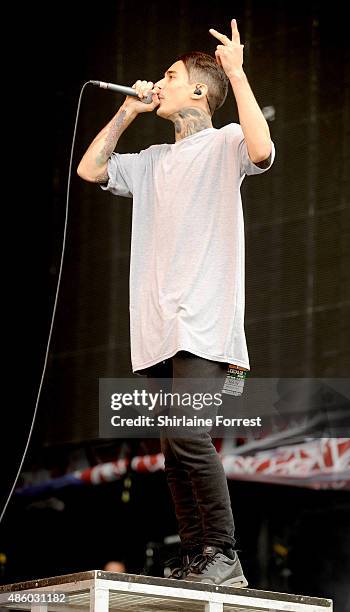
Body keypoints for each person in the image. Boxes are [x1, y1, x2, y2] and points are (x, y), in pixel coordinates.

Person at [77, 19, 275, 587]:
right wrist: (127, 112)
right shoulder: (153, 159)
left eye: (169, 76)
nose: (158, 83)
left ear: (198, 91)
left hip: (204, 318)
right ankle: (198, 555)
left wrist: (235, 74)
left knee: (189, 437)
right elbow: (91, 169)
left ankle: (224, 554)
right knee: (173, 449)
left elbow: (262, 150)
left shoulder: (225, 141)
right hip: (161, 325)